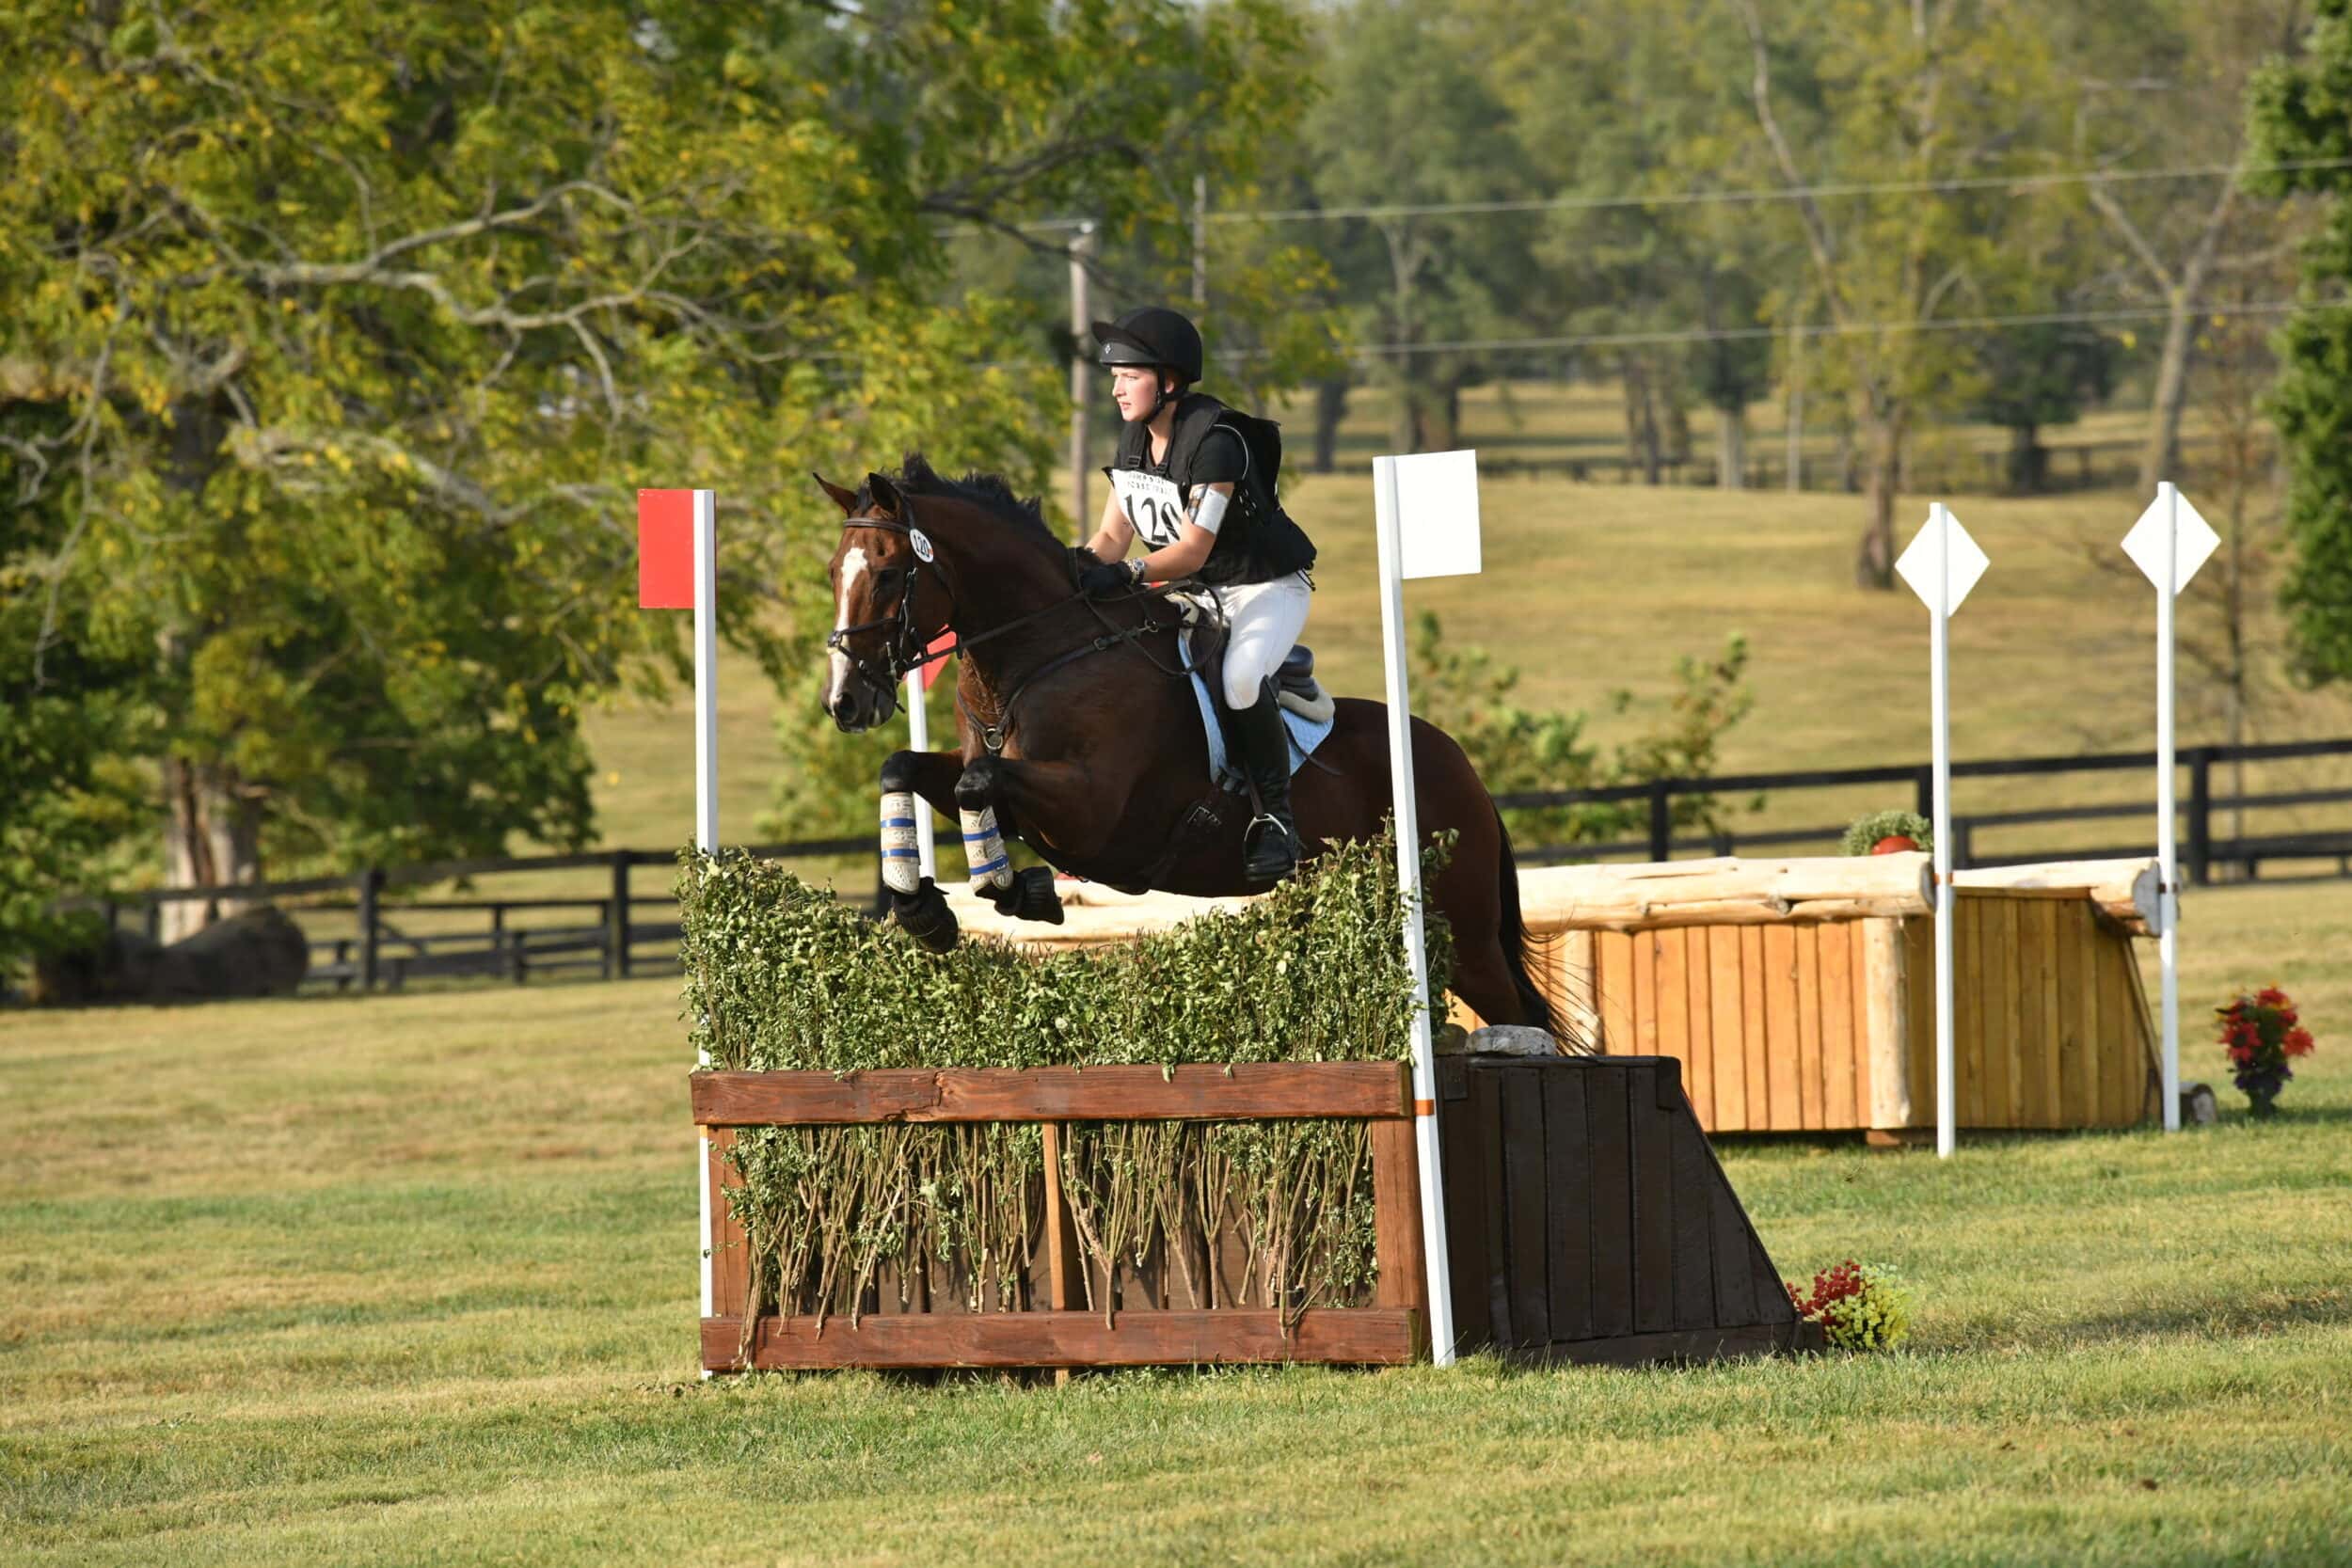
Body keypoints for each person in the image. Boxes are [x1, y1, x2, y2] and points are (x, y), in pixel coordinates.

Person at [1075, 306, 1317, 885]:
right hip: (1198, 594)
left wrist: (1129, 574)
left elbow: (1190, 551)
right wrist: (1071, 574)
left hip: (1263, 588)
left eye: (1129, 376)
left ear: (1170, 382)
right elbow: (1111, 535)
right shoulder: (1134, 438)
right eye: (1115, 377)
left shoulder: (1218, 444)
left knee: (1237, 681)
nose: (1116, 388)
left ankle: (1277, 821)